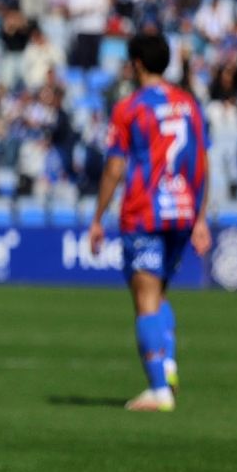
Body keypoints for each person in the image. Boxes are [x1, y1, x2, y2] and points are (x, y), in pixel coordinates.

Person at [87, 31, 210, 414]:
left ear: (136, 63)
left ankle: (158, 390)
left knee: (145, 300)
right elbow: (201, 162)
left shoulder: (130, 108)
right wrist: (201, 217)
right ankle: (168, 368)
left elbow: (115, 166)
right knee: (159, 295)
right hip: (183, 212)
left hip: (144, 211)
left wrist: (97, 218)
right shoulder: (188, 104)